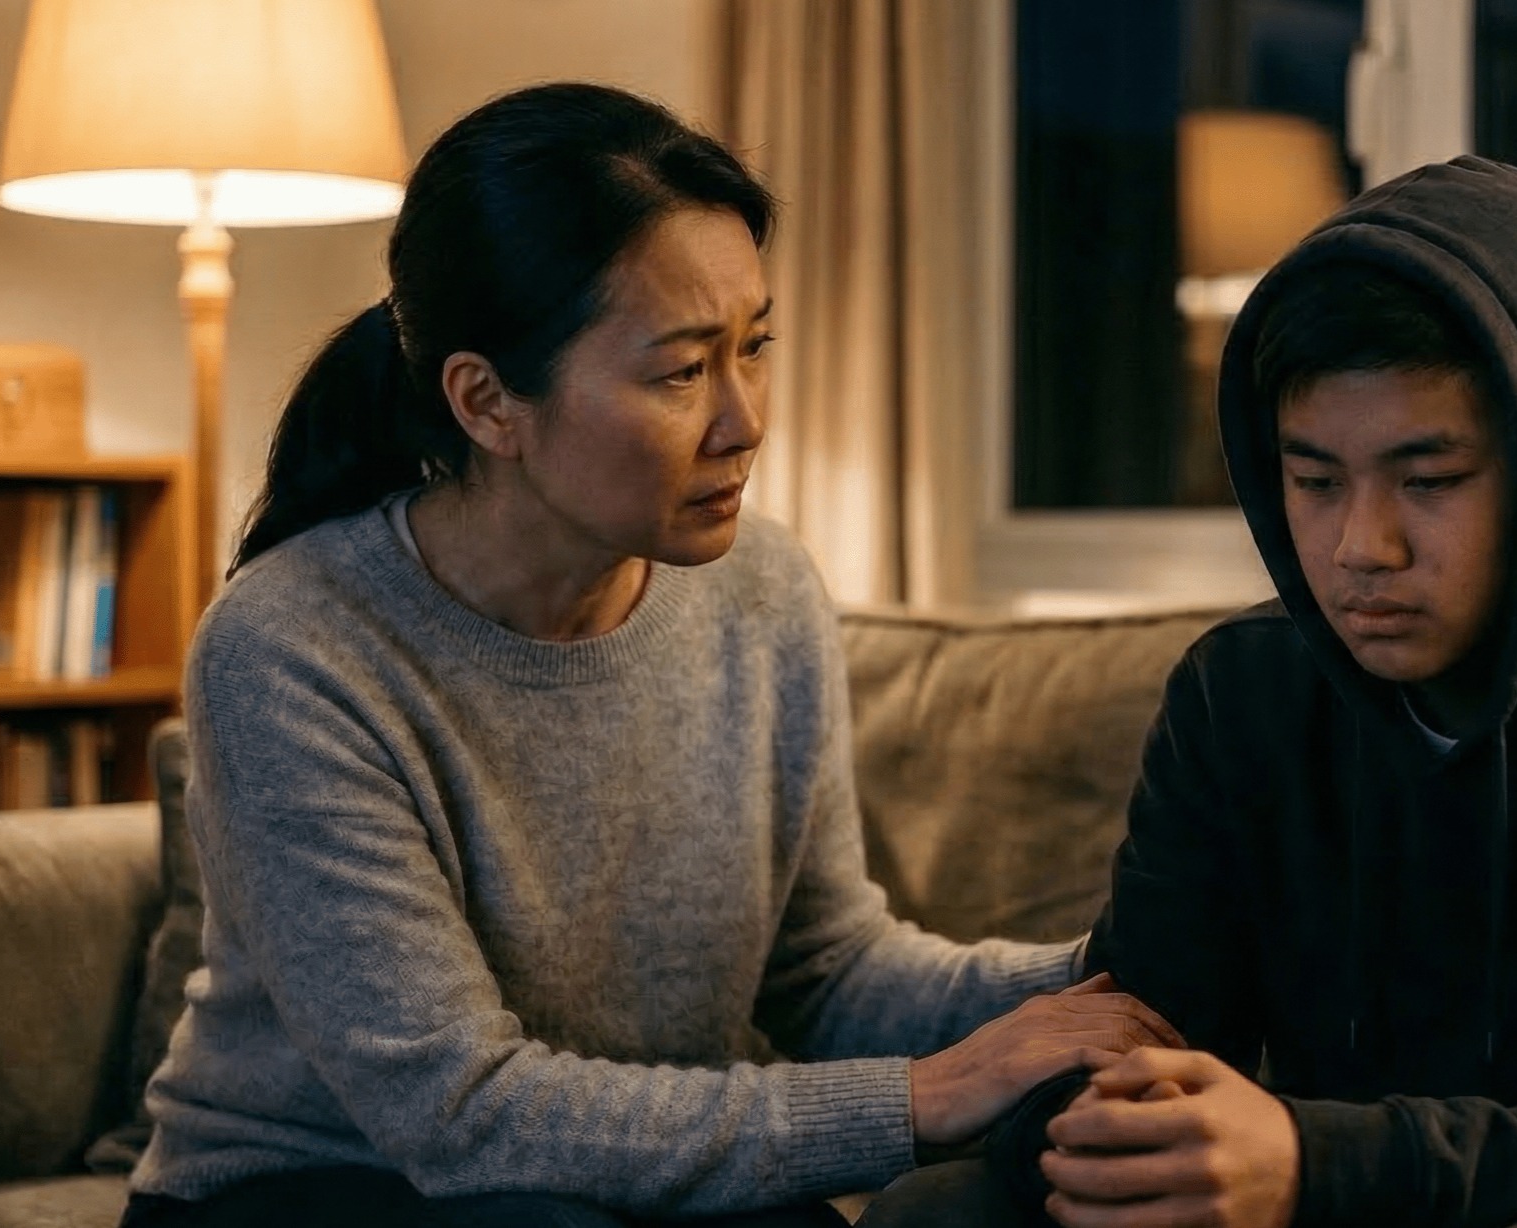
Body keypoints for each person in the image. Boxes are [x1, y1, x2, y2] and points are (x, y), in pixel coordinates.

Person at [119, 83, 1181, 1228]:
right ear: (484, 402)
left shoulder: (761, 592)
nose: (745, 419)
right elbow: (462, 1112)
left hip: (603, 1174)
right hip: (305, 1188)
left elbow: (824, 975)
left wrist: (1099, 976)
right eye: (681, 372)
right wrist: (922, 1097)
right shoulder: (294, 644)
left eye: (754, 347)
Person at [862, 157, 1517, 1228]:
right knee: (939, 1211)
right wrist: (1108, 1131)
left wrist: (1313, 1159)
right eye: (1312, 482)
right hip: (1324, 1199)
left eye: (1428, 481)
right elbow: (1130, 1031)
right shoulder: (1238, 697)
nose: (1362, 546)